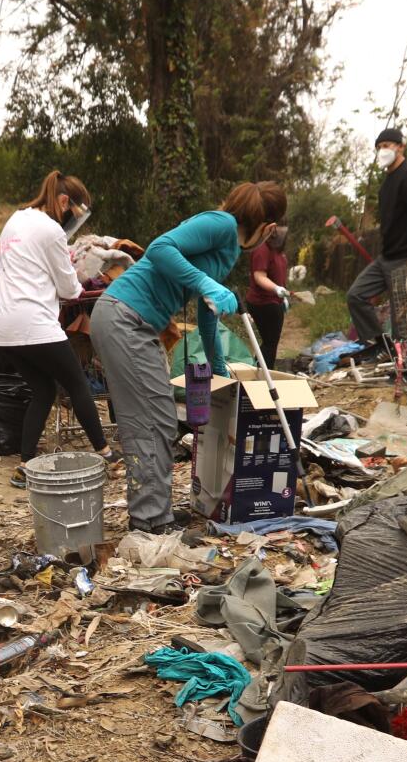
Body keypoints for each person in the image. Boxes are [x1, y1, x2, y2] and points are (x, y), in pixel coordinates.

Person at [91, 181, 288, 534]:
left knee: (159, 418)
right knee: (153, 419)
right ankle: (150, 521)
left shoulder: (229, 250)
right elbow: (160, 248)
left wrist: (218, 367)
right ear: (268, 227)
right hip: (124, 317)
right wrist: (206, 282)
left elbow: (207, 314)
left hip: (139, 324)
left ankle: (154, 513)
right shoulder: (221, 224)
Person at [0, 170, 112, 485]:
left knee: (43, 388)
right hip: (33, 323)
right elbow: (70, 290)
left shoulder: (16, 219)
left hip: (1, 327)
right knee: (77, 383)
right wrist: (77, 269)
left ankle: (26, 463)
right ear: (64, 201)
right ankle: (106, 452)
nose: (72, 222)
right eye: (75, 214)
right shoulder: (51, 230)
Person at [345, 127, 407, 354]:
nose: (382, 151)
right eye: (379, 147)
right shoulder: (386, 183)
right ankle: (381, 344)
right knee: (355, 295)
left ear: (401, 147)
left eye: (386, 145)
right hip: (386, 258)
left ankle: (405, 371)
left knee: (402, 324)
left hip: (406, 259)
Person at [245, 223, 290, 368]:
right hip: (263, 303)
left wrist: (283, 296)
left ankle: (260, 373)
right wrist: (276, 288)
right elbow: (259, 276)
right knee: (270, 344)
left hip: (275, 302)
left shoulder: (278, 250)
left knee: (269, 343)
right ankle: (264, 377)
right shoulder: (261, 248)